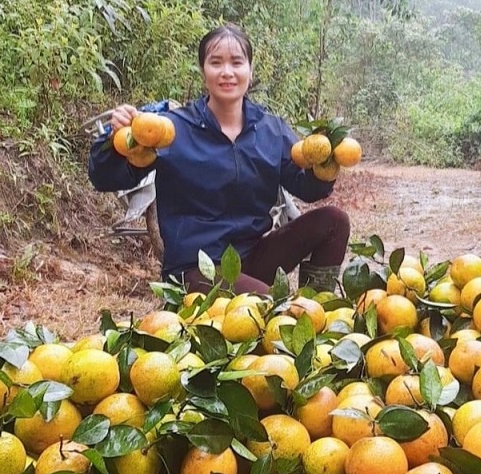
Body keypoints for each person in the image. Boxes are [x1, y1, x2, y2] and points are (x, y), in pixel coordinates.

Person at [88, 24, 350, 295]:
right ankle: (293, 317)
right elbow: (103, 177)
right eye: (216, 63)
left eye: (236, 62)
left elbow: (307, 188)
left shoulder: (271, 129)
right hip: (195, 268)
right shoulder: (171, 129)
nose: (227, 72)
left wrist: (325, 165)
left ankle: (320, 313)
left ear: (250, 70)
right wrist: (116, 143)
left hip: (251, 258)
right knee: (275, 307)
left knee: (334, 221)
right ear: (204, 72)